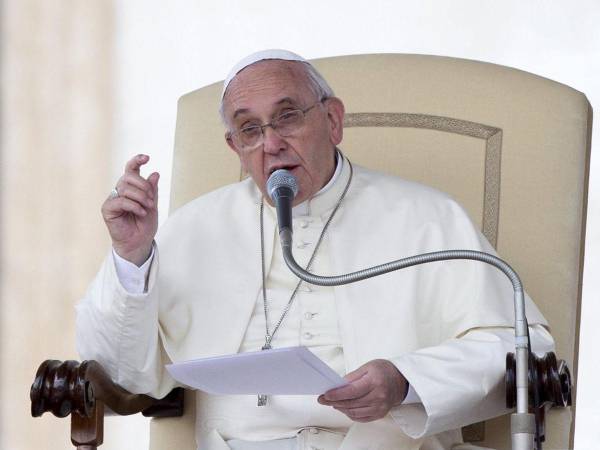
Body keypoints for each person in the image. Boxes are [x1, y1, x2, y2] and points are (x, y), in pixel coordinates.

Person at [76, 50, 554, 450]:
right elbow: (121, 371)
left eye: (287, 117)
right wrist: (132, 256)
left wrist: (405, 380)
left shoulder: (427, 216)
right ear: (234, 146)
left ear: (333, 120)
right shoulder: (196, 226)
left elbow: (525, 351)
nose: (272, 143)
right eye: (250, 129)